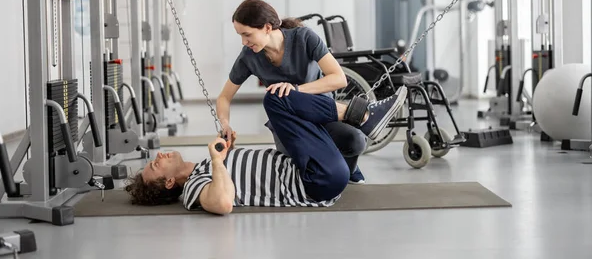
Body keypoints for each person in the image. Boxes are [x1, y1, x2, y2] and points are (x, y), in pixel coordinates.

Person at [124, 86, 407, 214]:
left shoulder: (205, 167)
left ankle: (360, 121)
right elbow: (222, 204)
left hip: (307, 165)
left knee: (279, 96)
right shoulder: (193, 188)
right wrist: (218, 162)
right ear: (170, 182)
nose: (159, 156)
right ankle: (364, 117)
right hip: (316, 182)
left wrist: (224, 155)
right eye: (156, 165)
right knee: (276, 98)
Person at [216, 0, 400, 184]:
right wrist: (225, 124)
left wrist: (296, 90)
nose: (243, 41)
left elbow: (338, 78)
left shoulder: (304, 37)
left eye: (247, 35)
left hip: (323, 113)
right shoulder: (248, 56)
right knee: (301, 162)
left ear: (267, 27)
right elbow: (224, 97)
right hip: (289, 122)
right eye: (240, 35)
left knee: (356, 141)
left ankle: (349, 165)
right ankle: (351, 136)